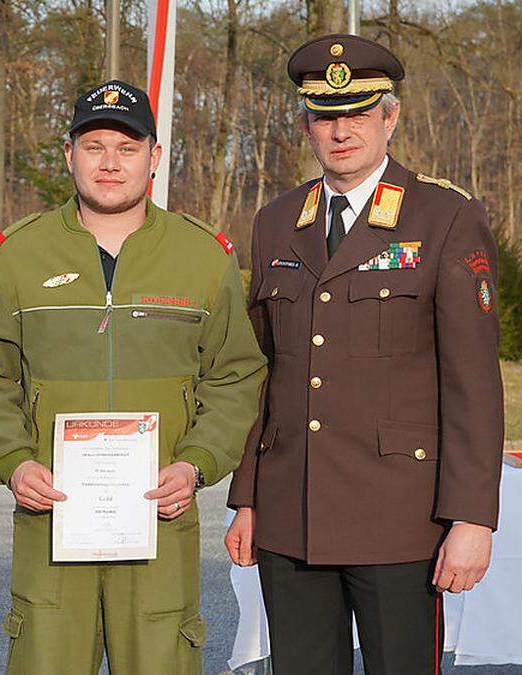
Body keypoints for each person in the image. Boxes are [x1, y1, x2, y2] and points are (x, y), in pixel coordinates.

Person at [0, 79, 266, 674]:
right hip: (50, 519)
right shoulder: (18, 255)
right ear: (69, 154)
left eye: (127, 148)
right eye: (94, 145)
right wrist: (14, 461)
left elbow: (234, 374)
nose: (109, 163)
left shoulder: (203, 256)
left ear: (154, 158)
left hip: (160, 518)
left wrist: (198, 461)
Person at [226, 33, 505, 675]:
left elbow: (473, 385)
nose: (342, 131)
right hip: (291, 516)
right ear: (305, 124)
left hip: (400, 519)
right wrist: (248, 496)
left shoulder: (443, 218)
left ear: (390, 117)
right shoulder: (276, 221)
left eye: (358, 113)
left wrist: (471, 518)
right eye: (326, 116)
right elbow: (263, 374)